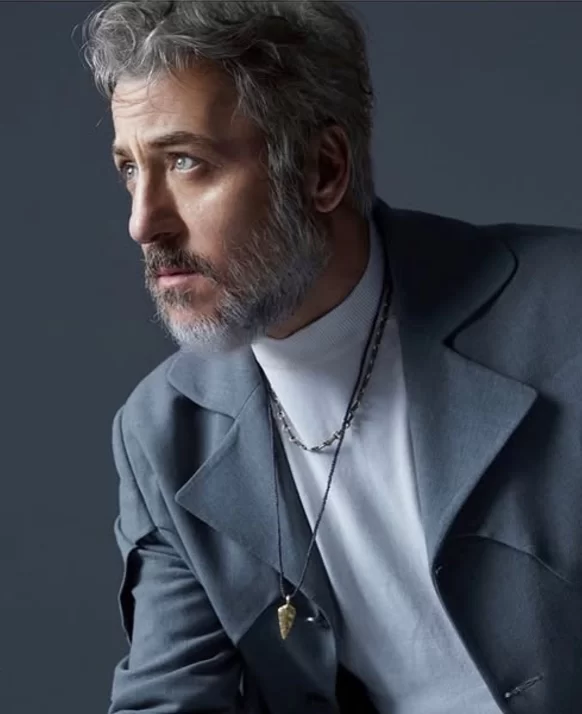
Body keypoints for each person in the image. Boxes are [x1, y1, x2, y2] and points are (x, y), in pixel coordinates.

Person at [82, 2, 582, 713]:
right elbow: (171, 697)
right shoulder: (161, 435)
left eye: (186, 162)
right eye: (130, 169)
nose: (143, 222)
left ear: (323, 169)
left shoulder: (565, 312)